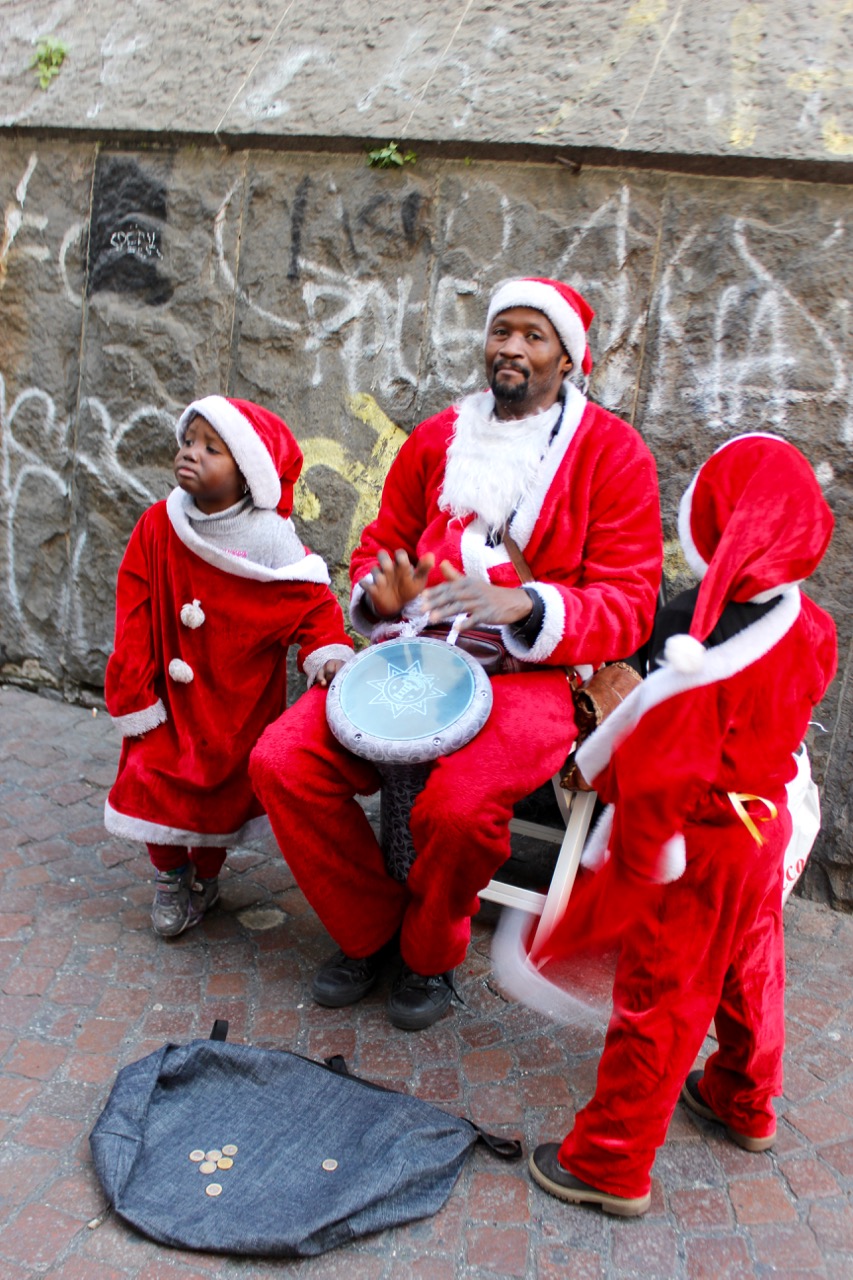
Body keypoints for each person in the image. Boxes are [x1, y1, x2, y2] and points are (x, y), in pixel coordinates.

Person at [250, 277, 662, 1030]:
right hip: (410, 655)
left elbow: (631, 604)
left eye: (534, 336)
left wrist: (529, 605)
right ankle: (369, 930)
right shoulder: (436, 436)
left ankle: (429, 954)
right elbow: (381, 547)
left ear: (568, 359)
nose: (510, 347)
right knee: (281, 762)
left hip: (528, 675)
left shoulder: (613, 453)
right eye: (501, 330)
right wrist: (382, 592)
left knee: (461, 810)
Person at [528, 434, 837, 1216]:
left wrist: (625, 869)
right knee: (748, 966)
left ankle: (609, 1161)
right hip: (762, 829)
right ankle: (743, 1097)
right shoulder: (809, 626)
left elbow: (662, 776)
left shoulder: (701, 650)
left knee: (660, 997)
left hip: (695, 844)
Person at [104, 396, 352, 937]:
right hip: (168, 700)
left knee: (223, 796)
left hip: (233, 699)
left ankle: (206, 877)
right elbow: (136, 608)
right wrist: (135, 692)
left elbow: (310, 605)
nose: (190, 453)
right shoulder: (157, 525)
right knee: (154, 776)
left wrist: (327, 656)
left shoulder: (267, 539)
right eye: (188, 441)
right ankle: (170, 876)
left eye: (211, 448)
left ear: (247, 474)